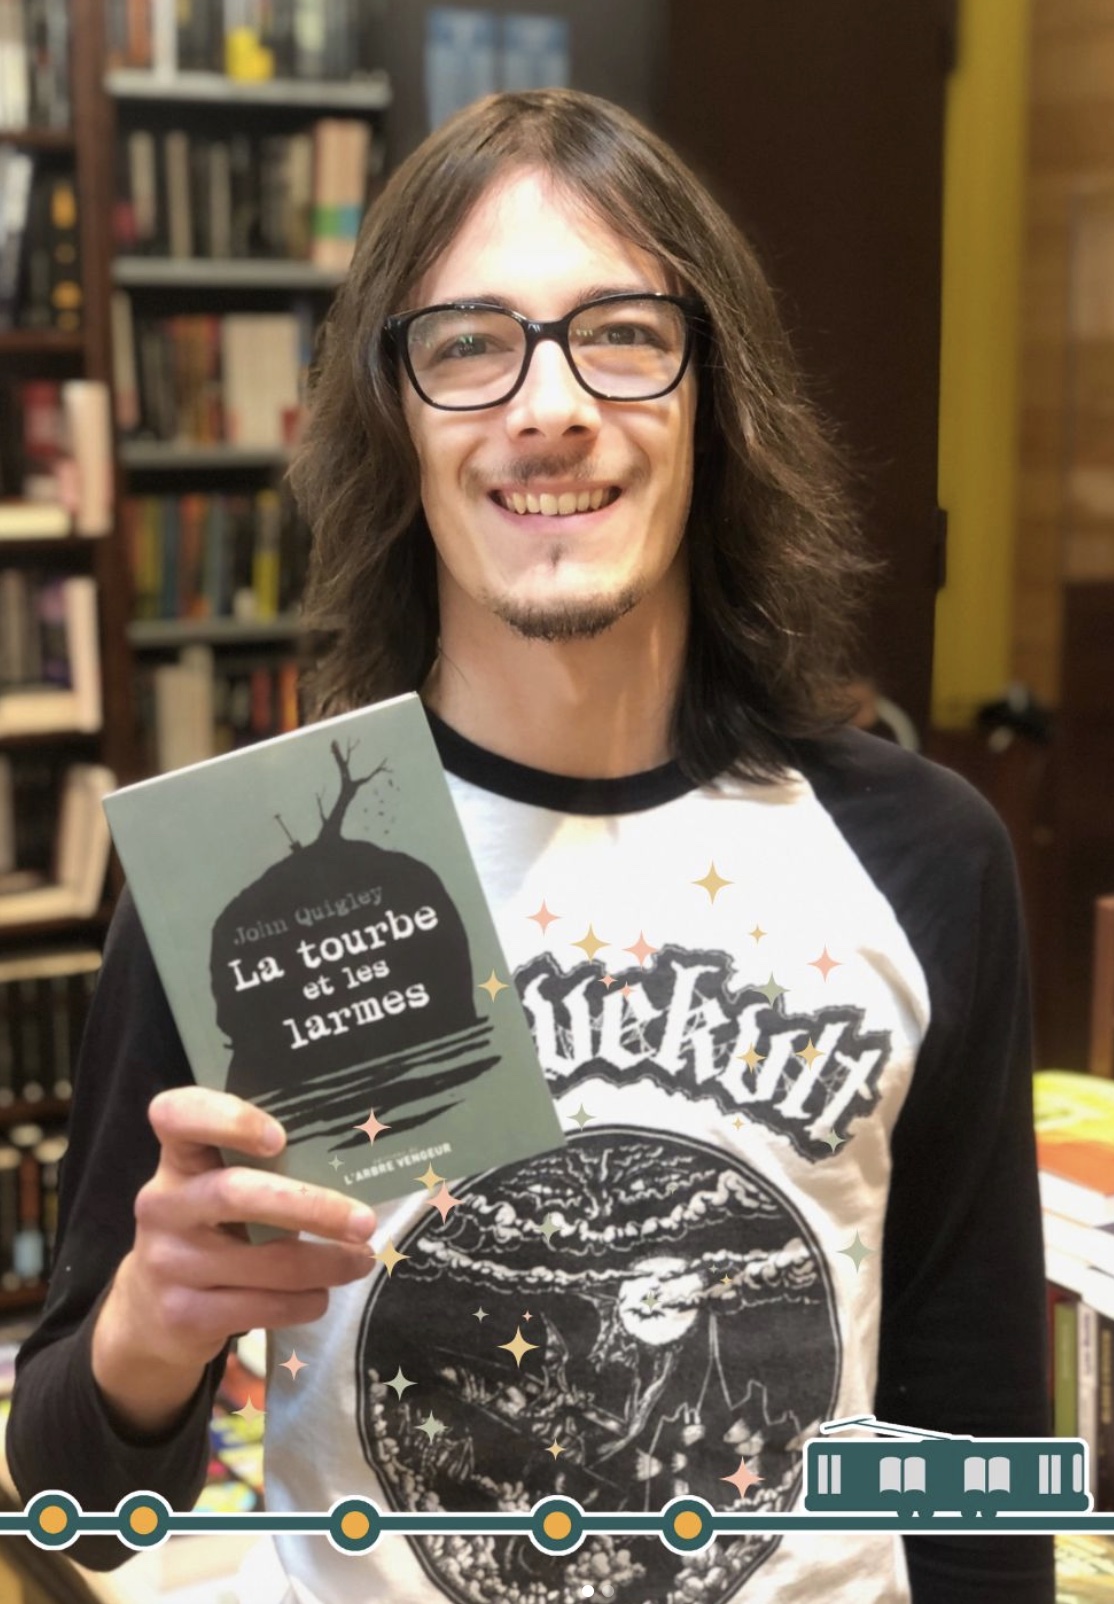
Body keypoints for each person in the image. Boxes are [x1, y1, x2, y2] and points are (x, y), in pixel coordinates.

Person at [8, 88, 1051, 1604]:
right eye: (468, 345)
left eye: (621, 334)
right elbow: (76, 1517)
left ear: (717, 398)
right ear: (393, 420)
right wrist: (148, 1332)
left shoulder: (924, 855)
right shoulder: (244, 882)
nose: (549, 405)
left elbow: (975, 1451)